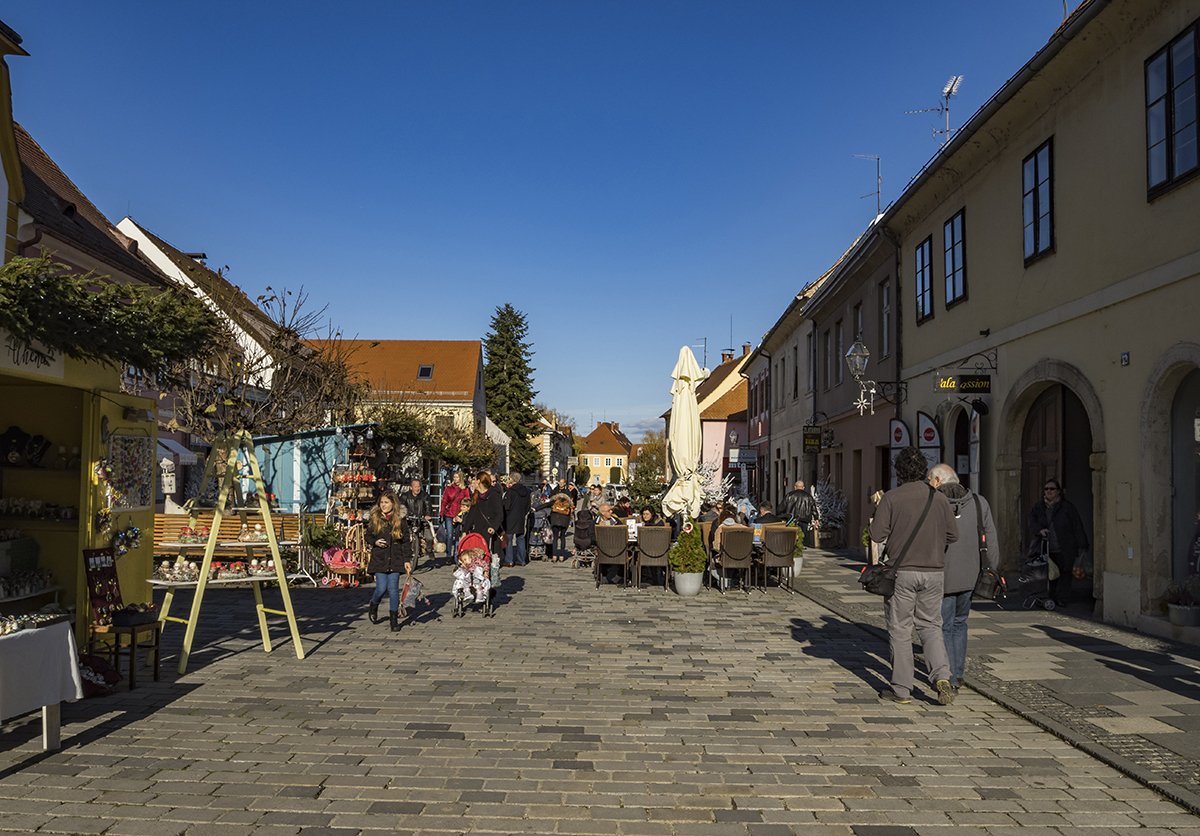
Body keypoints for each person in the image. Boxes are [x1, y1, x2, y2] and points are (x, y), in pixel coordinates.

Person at [869, 447, 959, 706]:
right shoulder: (939, 498)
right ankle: (942, 676)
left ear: (898, 472)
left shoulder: (892, 498)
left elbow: (876, 535)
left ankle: (901, 688)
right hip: (933, 572)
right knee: (931, 626)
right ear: (924, 471)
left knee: (900, 629)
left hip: (902, 572)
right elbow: (953, 535)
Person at [929, 463, 1000, 693]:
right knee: (960, 623)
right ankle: (958, 674)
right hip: (971, 575)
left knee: (944, 626)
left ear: (938, 481)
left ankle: (947, 676)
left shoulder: (934, 503)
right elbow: (990, 538)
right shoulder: (979, 502)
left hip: (942, 574)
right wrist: (992, 568)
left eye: (930, 480)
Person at [1028, 477, 1089, 607]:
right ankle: (1050, 598)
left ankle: (1062, 599)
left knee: (1065, 574)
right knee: (1050, 575)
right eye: (1046, 489)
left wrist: (1082, 545)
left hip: (1065, 547)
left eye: (1052, 489)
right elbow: (1032, 523)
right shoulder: (1038, 507)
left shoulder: (1067, 507)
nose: (1049, 491)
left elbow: (1077, 526)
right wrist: (1039, 530)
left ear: (1058, 492)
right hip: (1046, 547)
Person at [365, 491, 413, 632]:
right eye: (381, 503)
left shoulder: (400, 520)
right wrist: (375, 541)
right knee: (381, 588)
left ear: (393, 503)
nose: (383, 505)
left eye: (386, 502)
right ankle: (374, 605)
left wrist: (407, 560)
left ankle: (393, 620)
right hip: (380, 559)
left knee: (393, 590)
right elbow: (368, 536)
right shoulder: (376, 518)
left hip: (396, 559)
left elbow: (405, 542)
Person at [463, 471, 503, 556]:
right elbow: (471, 515)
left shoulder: (494, 495)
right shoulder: (476, 495)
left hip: (489, 530)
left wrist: (493, 527)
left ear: (479, 481)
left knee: (487, 555)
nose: (472, 483)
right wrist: (465, 531)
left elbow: (499, 514)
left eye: (474, 480)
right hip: (478, 530)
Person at [399, 478, 433, 565]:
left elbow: (428, 506)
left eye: (418, 487)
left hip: (421, 519)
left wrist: (427, 515)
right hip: (409, 520)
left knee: (429, 537)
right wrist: (402, 515)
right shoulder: (405, 496)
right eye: (415, 487)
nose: (417, 489)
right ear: (411, 487)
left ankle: (429, 550)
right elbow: (401, 506)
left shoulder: (425, 495)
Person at [502, 471, 532, 567]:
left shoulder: (510, 492)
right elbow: (528, 506)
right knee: (520, 538)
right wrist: (523, 513)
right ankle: (521, 560)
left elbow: (506, 506)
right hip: (521, 518)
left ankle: (509, 560)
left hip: (510, 517)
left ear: (512, 479)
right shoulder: (526, 491)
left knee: (509, 539)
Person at [439, 470, 470, 560]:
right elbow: (444, 500)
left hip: (460, 514)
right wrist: (442, 512)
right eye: (454, 477)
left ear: (460, 478)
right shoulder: (449, 488)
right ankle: (448, 554)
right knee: (449, 535)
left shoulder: (464, 489)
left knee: (457, 535)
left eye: (457, 477)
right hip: (449, 514)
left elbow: (467, 501)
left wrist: (464, 511)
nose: (455, 479)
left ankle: (456, 554)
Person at [546, 489, 574, 562]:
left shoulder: (555, 501)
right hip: (565, 521)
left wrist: (535, 509)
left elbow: (545, 505)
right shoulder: (568, 503)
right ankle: (561, 556)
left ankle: (554, 555)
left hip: (555, 520)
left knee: (555, 538)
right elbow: (571, 512)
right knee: (562, 537)